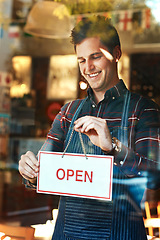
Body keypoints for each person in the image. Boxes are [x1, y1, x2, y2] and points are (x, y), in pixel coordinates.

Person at [19, 16, 160, 240]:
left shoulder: (143, 111)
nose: (88, 67)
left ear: (116, 54)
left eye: (96, 56)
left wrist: (113, 147)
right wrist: (31, 171)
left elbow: (155, 177)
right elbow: (45, 167)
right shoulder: (68, 112)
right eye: (82, 60)